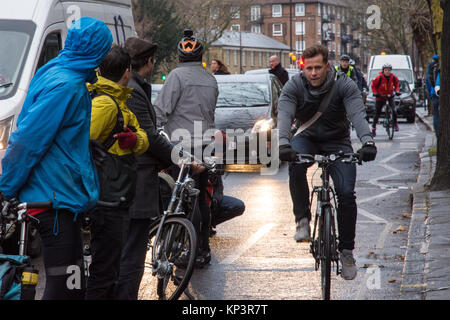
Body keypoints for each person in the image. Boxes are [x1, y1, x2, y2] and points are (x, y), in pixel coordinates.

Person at [0, 17, 113, 300]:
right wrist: (6, 187)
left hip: (60, 198)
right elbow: (28, 140)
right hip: (53, 199)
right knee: (65, 286)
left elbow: (52, 134)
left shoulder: (55, 71)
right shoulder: (67, 85)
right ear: (97, 52)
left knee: (74, 283)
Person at [277, 44, 377, 280]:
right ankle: (302, 219)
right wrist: (283, 143)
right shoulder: (294, 85)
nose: (313, 73)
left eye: (318, 68)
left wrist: (367, 142)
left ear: (327, 66)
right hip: (306, 137)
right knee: (296, 166)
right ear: (303, 67)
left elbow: (357, 115)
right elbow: (284, 113)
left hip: (337, 141)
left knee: (345, 193)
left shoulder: (344, 84)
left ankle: (346, 251)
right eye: (309, 68)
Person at [86, 45, 149, 300]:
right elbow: (80, 143)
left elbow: (141, 135)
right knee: (104, 270)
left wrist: (134, 140)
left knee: (109, 266)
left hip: (116, 195)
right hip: (107, 198)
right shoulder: (106, 104)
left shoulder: (118, 100)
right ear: (126, 72)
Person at [114, 37, 174, 300]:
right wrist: (176, 157)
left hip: (127, 180)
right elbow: (148, 135)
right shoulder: (135, 91)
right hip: (135, 181)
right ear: (149, 62)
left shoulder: (135, 87)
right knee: (132, 253)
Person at [154, 29, 218, 266]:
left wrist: (153, 131)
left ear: (179, 57)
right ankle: (202, 248)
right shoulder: (211, 79)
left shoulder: (176, 77)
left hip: (181, 148)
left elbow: (161, 111)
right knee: (200, 197)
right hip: (205, 146)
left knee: (179, 197)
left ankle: (182, 246)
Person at [208, 172, 245, 236]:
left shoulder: (211, 165)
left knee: (239, 206)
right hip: (197, 199)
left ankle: (207, 225)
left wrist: (215, 199)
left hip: (211, 197)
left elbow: (219, 187)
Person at [371, 63, 401, 136]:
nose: (387, 71)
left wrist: (397, 91)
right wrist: (375, 93)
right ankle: (373, 128)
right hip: (380, 96)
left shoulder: (393, 77)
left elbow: (396, 84)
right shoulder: (379, 78)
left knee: (394, 110)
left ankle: (395, 123)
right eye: (386, 70)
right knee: (377, 113)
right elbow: (373, 85)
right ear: (383, 71)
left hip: (390, 96)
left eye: (389, 70)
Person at [426, 55, 440, 135]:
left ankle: (438, 135)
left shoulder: (432, 65)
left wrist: (430, 94)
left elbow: (428, 80)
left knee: (436, 114)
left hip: (434, 93)